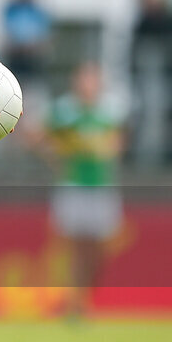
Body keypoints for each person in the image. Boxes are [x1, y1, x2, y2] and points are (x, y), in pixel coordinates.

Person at [35, 62, 124, 318]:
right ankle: (76, 303)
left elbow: (117, 142)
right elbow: (39, 136)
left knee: (97, 250)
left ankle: (84, 298)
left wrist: (106, 149)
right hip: (73, 185)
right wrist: (57, 155)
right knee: (76, 247)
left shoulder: (109, 110)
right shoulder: (64, 111)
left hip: (101, 185)